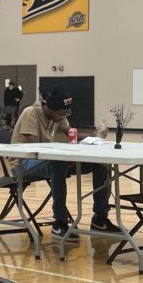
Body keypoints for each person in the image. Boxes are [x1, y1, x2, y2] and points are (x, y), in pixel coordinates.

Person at [12, 87, 117, 237]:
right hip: (24, 164)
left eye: (67, 113)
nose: (64, 117)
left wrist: (95, 136)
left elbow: (73, 134)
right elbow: (35, 149)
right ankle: (59, 221)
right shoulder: (31, 113)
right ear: (51, 109)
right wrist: (65, 156)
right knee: (58, 163)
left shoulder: (58, 116)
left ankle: (100, 218)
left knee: (101, 164)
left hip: (51, 159)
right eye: (62, 114)